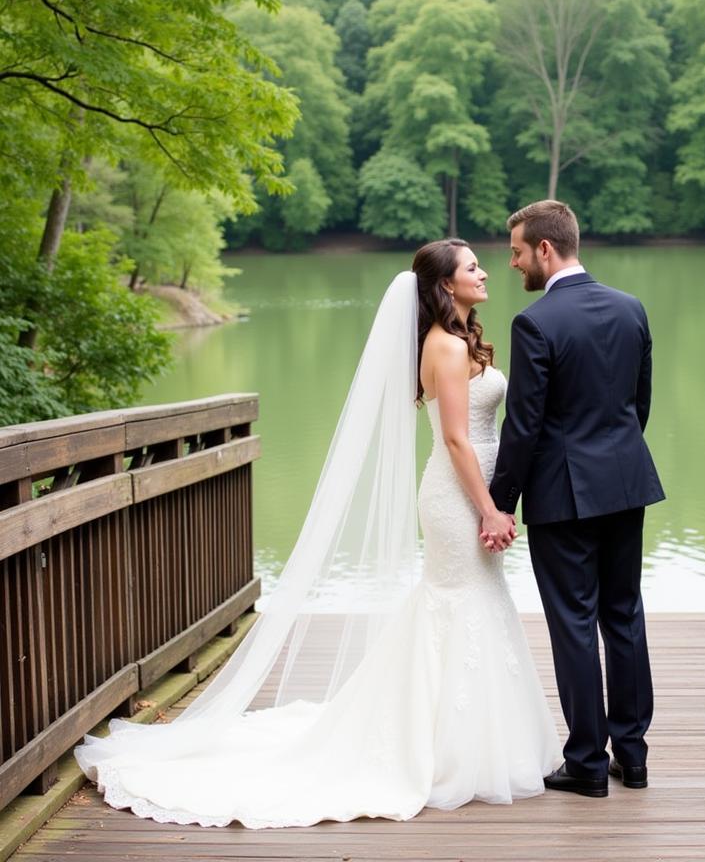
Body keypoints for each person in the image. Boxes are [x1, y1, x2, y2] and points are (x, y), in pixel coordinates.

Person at [74, 240, 560, 828]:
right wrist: (487, 508)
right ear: (444, 284)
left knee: (469, 603)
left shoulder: (455, 340)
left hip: (469, 489)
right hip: (460, 496)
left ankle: (467, 740)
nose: (485, 272)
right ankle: (444, 749)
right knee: (457, 602)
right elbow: (457, 439)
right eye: (472, 267)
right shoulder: (447, 348)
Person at [488, 200, 664, 799]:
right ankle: (633, 757)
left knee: (573, 625)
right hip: (625, 483)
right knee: (624, 615)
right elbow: (638, 405)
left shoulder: (535, 323)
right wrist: (614, 455)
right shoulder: (630, 308)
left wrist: (499, 503)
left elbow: (524, 426)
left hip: (563, 496)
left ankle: (588, 763)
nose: (512, 264)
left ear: (544, 248)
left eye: (516, 251)